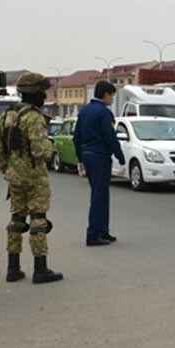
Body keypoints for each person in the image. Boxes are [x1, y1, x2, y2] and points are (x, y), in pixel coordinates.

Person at [0, 72, 63, 284]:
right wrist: (49, 144)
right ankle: (40, 268)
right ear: (34, 93)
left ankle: (13, 268)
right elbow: (40, 151)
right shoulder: (33, 118)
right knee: (38, 221)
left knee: (16, 220)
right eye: (42, 92)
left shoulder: (7, 115)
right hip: (34, 177)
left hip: (14, 177)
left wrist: (8, 169)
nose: (44, 96)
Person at [73, 80, 124, 246]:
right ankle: (94, 234)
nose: (112, 99)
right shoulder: (104, 113)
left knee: (100, 194)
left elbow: (77, 137)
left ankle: (103, 230)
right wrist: (120, 156)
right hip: (100, 155)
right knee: (99, 196)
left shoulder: (84, 111)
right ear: (106, 94)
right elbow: (110, 136)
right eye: (112, 96)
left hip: (88, 154)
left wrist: (80, 158)